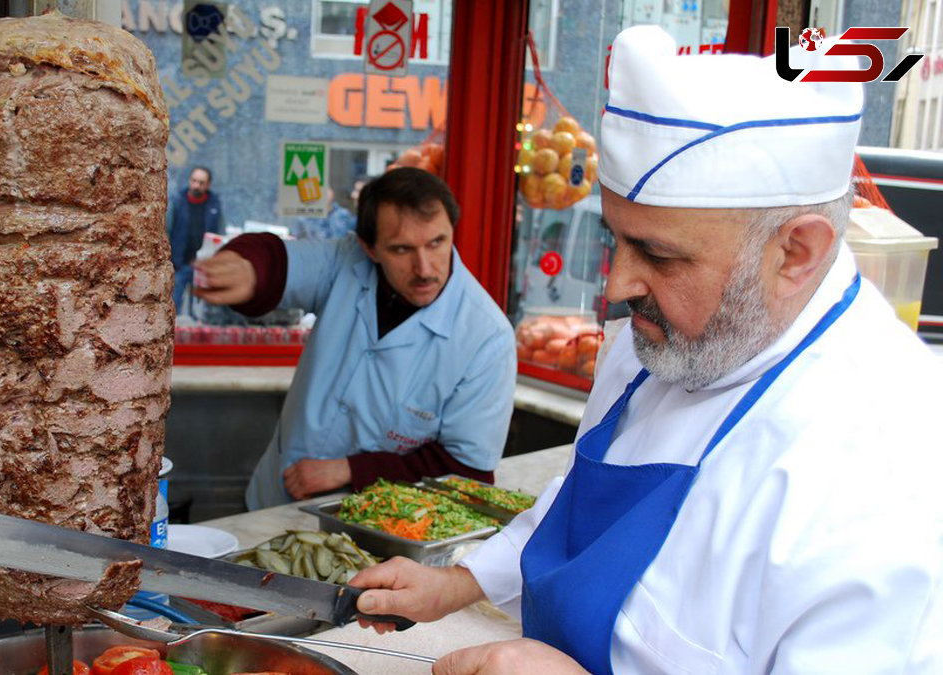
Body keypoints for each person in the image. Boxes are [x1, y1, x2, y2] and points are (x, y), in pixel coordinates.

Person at [348, 26, 943, 674]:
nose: (619, 285)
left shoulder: (892, 475)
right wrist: (459, 582)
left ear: (797, 251)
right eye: (617, 240)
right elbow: (576, 507)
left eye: (658, 254)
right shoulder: (655, 342)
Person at [194, 167, 517, 509]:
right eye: (402, 249)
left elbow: (466, 473)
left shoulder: (487, 338)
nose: (425, 268)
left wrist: (351, 470)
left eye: (437, 243)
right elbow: (277, 261)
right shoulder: (344, 262)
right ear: (370, 248)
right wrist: (247, 267)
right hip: (270, 509)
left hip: (379, 533)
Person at [168, 166, 225, 314]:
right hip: (180, 264)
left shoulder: (214, 204)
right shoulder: (178, 201)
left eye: (201, 182)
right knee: (174, 309)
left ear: (208, 185)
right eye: (194, 181)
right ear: (189, 181)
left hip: (203, 266)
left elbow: (219, 233)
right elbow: (168, 230)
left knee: (199, 312)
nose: (196, 185)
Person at [292, 186, 357, 240]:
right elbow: (296, 238)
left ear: (332, 192)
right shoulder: (305, 217)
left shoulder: (343, 214)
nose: (324, 194)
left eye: (326, 190)